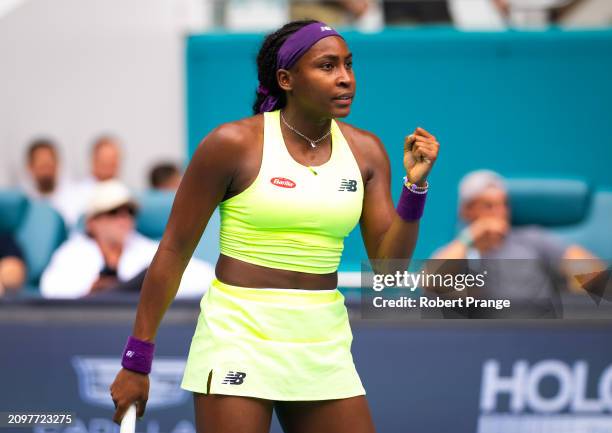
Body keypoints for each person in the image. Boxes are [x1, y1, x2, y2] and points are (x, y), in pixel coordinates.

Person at [110, 20, 440, 432]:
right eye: (327, 66)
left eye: (348, 65)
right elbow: (174, 251)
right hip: (238, 336)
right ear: (286, 79)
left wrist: (415, 186)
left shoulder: (367, 152)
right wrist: (137, 359)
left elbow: (390, 271)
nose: (345, 79)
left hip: (323, 342)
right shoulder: (232, 144)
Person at [430, 170, 602, 305]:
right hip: (486, 334)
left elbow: (591, 271)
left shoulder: (532, 238)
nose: (500, 212)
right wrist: (471, 237)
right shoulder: (460, 249)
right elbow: (429, 280)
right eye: (488, 206)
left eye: (504, 204)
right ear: (467, 211)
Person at [40, 180, 214, 299]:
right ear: (91, 223)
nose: (124, 218)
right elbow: (50, 289)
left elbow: (205, 277)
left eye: (129, 212)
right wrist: (90, 290)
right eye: (114, 212)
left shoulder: (147, 249)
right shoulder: (71, 253)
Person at [22, 138, 82, 227]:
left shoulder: (77, 199)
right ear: (30, 167)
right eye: (42, 166)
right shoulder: (23, 204)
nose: (47, 172)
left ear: (58, 164)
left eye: (49, 166)